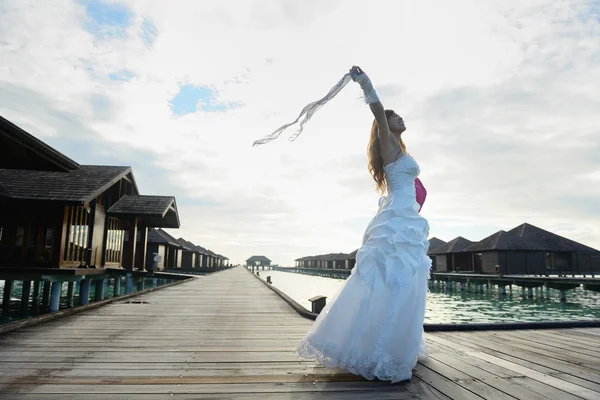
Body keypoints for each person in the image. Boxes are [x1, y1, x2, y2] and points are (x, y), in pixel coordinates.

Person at [296, 66, 432, 383]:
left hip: (406, 218)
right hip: (396, 220)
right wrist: (364, 81)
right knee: (389, 279)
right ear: (385, 125)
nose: (399, 119)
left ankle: (398, 346)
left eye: (396, 117)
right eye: (394, 117)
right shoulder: (387, 143)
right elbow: (376, 109)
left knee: (406, 281)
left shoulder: (400, 150)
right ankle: (372, 348)